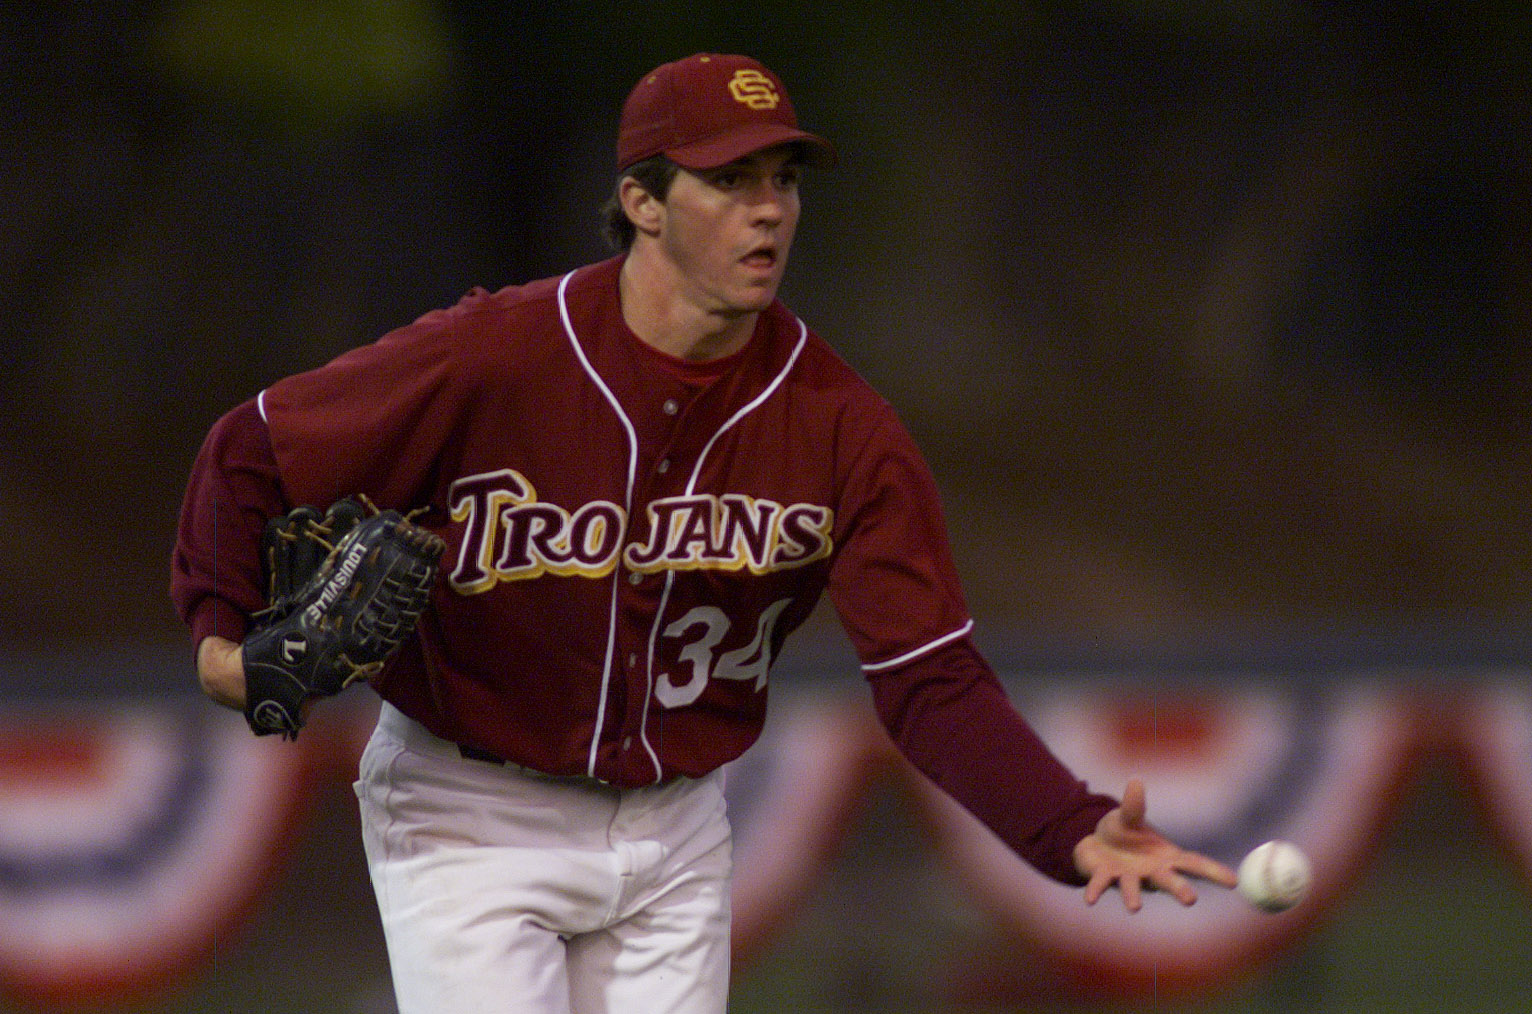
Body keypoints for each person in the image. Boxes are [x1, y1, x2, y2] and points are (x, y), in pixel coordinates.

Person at [171, 52, 1237, 1014]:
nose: (767, 211)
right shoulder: (495, 357)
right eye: (728, 182)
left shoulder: (836, 425)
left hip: (675, 831)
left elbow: (929, 679)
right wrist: (223, 646)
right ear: (641, 200)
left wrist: (1065, 823)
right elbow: (249, 452)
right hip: (469, 809)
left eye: (783, 180)